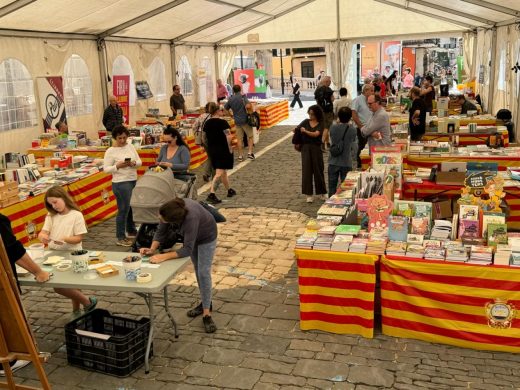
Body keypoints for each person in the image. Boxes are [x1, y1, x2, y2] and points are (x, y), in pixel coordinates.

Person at [139, 198, 217, 333]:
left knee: (203, 272)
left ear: (174, 220)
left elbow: (187, 250)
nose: (159, 217)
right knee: (198, 270)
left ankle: (206, 314)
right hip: (193, 236)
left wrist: (163, 256)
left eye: (162, 217)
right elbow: (161, 231)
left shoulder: (190, 218)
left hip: (206, 236)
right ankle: (206, 302)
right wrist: (152, 249)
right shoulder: (169, 209)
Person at [0, 213, 50, 376]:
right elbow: (13, 250)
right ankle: (16, 356)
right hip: (2, 283)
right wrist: (38, 271)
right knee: (10, 316)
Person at [38, 186, 97, 318]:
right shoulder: (51, 215)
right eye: (50, 204)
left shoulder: (76, 215)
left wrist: (65, 239)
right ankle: (85, 304)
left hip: (73, 254)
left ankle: (79, 308)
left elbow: (78, 238)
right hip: (54, 254)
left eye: (55, 202)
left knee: (69, 284)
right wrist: (42, 236)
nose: (54, 206)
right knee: (61, 285)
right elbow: (44, 232)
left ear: (63, 198)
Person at [103, 125, 142, 246]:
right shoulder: (110, 151)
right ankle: (120, 236)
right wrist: (117, 166)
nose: (122, 140)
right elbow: (106, 169)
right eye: (119, 138)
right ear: (115, 138)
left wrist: (133, 163)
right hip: (120, 182)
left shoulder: (130, 146)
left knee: (131, 207)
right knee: (123, 209)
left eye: (124, 137)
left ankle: (131, 230)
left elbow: (140, 162)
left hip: (132, 179)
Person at [204, 102, 236, 204]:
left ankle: (229, 190)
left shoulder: (207, 123)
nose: (223, 112)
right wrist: (230, 147)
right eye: (221, 110)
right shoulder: (223, 123)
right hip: (223, 149)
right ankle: (212, 194)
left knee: (223, 171)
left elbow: (204, 138)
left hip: (213, 149)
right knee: (218, 173)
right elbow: (228, 137)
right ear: (217, 111)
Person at [297, 104, 327, 203]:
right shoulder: (305, 122)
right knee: (307, 171)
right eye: (309, 114)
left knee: (318, 170)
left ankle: (322, 192)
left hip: (316, 149)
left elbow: (316, 134)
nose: (311, 116)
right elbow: (296, 129)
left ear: (317, 114)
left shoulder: (321, 123)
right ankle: (308, 194)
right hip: (305, 149)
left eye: (313, 114)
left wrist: (305, 131)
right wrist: (298, 132)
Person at [328, 107, 357, 197]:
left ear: (339, 117)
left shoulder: (333, 127)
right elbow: (354, 145)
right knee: (346, 187)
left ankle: (330, 203)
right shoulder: (352, 129)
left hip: (333, 160)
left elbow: (331, 139)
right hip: (346, 161)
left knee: (332, 186)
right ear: (350, 117)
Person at [224, 85, 254, 161]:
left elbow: (225, 109)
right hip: (245, 120)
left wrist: (231, 116)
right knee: (250, 136)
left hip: (237, 121)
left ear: (233, 91)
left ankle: (240, 155)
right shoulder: (243, 97)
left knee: (239, 139)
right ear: (240, 90)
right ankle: (250, 153)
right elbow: (247, 106)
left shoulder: (231, 99)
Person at [351, 84, 374, 168]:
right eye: (371, 90)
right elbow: (354, 114)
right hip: (361, 127)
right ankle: (360, 164)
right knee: (362, 146)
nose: (373, 92)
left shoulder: (370, 99)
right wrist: (361, 127)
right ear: (365, 91)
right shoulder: (357, 100)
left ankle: (368, 163)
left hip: (370, 127)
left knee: (369, 146)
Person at [192, 103, 213, 182]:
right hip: (210, 138)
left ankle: (208, 173)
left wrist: (197, 134)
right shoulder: (212, 116)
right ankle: (207, 173)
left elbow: (194, 126)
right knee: (211, 156)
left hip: (203, 138)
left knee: (210, 155)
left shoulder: (202, 116)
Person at [314, 75, 334, 145]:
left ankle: (327, 142)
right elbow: (332, 99)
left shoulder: (317, 89)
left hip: (319, 110)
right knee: (327, 127)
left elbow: (316, 100)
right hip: (328, 111)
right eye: (330, 81)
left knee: (323, 126)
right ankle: (322, 142)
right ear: (326, 81)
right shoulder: (329, 90)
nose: (330, 83)